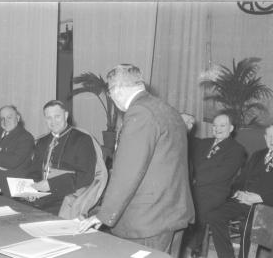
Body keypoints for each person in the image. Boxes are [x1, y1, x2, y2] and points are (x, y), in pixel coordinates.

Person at [79, 64, 194, 256]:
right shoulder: (166, 109)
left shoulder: (140, 113)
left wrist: (104, 215)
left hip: (147, 220)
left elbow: (128, 171)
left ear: (116, 90)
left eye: (110, 92)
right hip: (172, 211)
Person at [183, 113, 247, 256]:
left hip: (214, 194)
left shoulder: (237, 149)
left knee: (197, 208)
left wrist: (192, 179)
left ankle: (189, 248)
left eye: (222, 125)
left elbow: (220, 175)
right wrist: (184, 125)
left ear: (231, 128)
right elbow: (184, 140)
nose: (217, 129)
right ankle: (177, 244)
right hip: (194, 189)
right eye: (215, 125)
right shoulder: (204, 143)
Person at [206, 124, 273, 258]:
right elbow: (241, 180)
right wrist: (237, 193)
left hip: (267, 205)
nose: (272, 140)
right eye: (270, 136)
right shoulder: (258, 155)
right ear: (265, 138)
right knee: (214, 215)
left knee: (247, 227)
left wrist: (260, 198)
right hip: (245, 200)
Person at [24, 100, 97, 216]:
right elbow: (34, 171)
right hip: (40, 197)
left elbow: (86, 176)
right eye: (49, 118)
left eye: (57, 116)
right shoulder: (42, 142)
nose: (53, 122)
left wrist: (51, 184)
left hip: (67, 199)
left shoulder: (82, 140)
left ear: (66, 115)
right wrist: (31, 189)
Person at [0, 105, 34, 196]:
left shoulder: (26, 137)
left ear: (17, 118)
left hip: (11, 190)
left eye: (9, 117)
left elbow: (11, 162)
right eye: (2, 118)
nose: (5, 121)